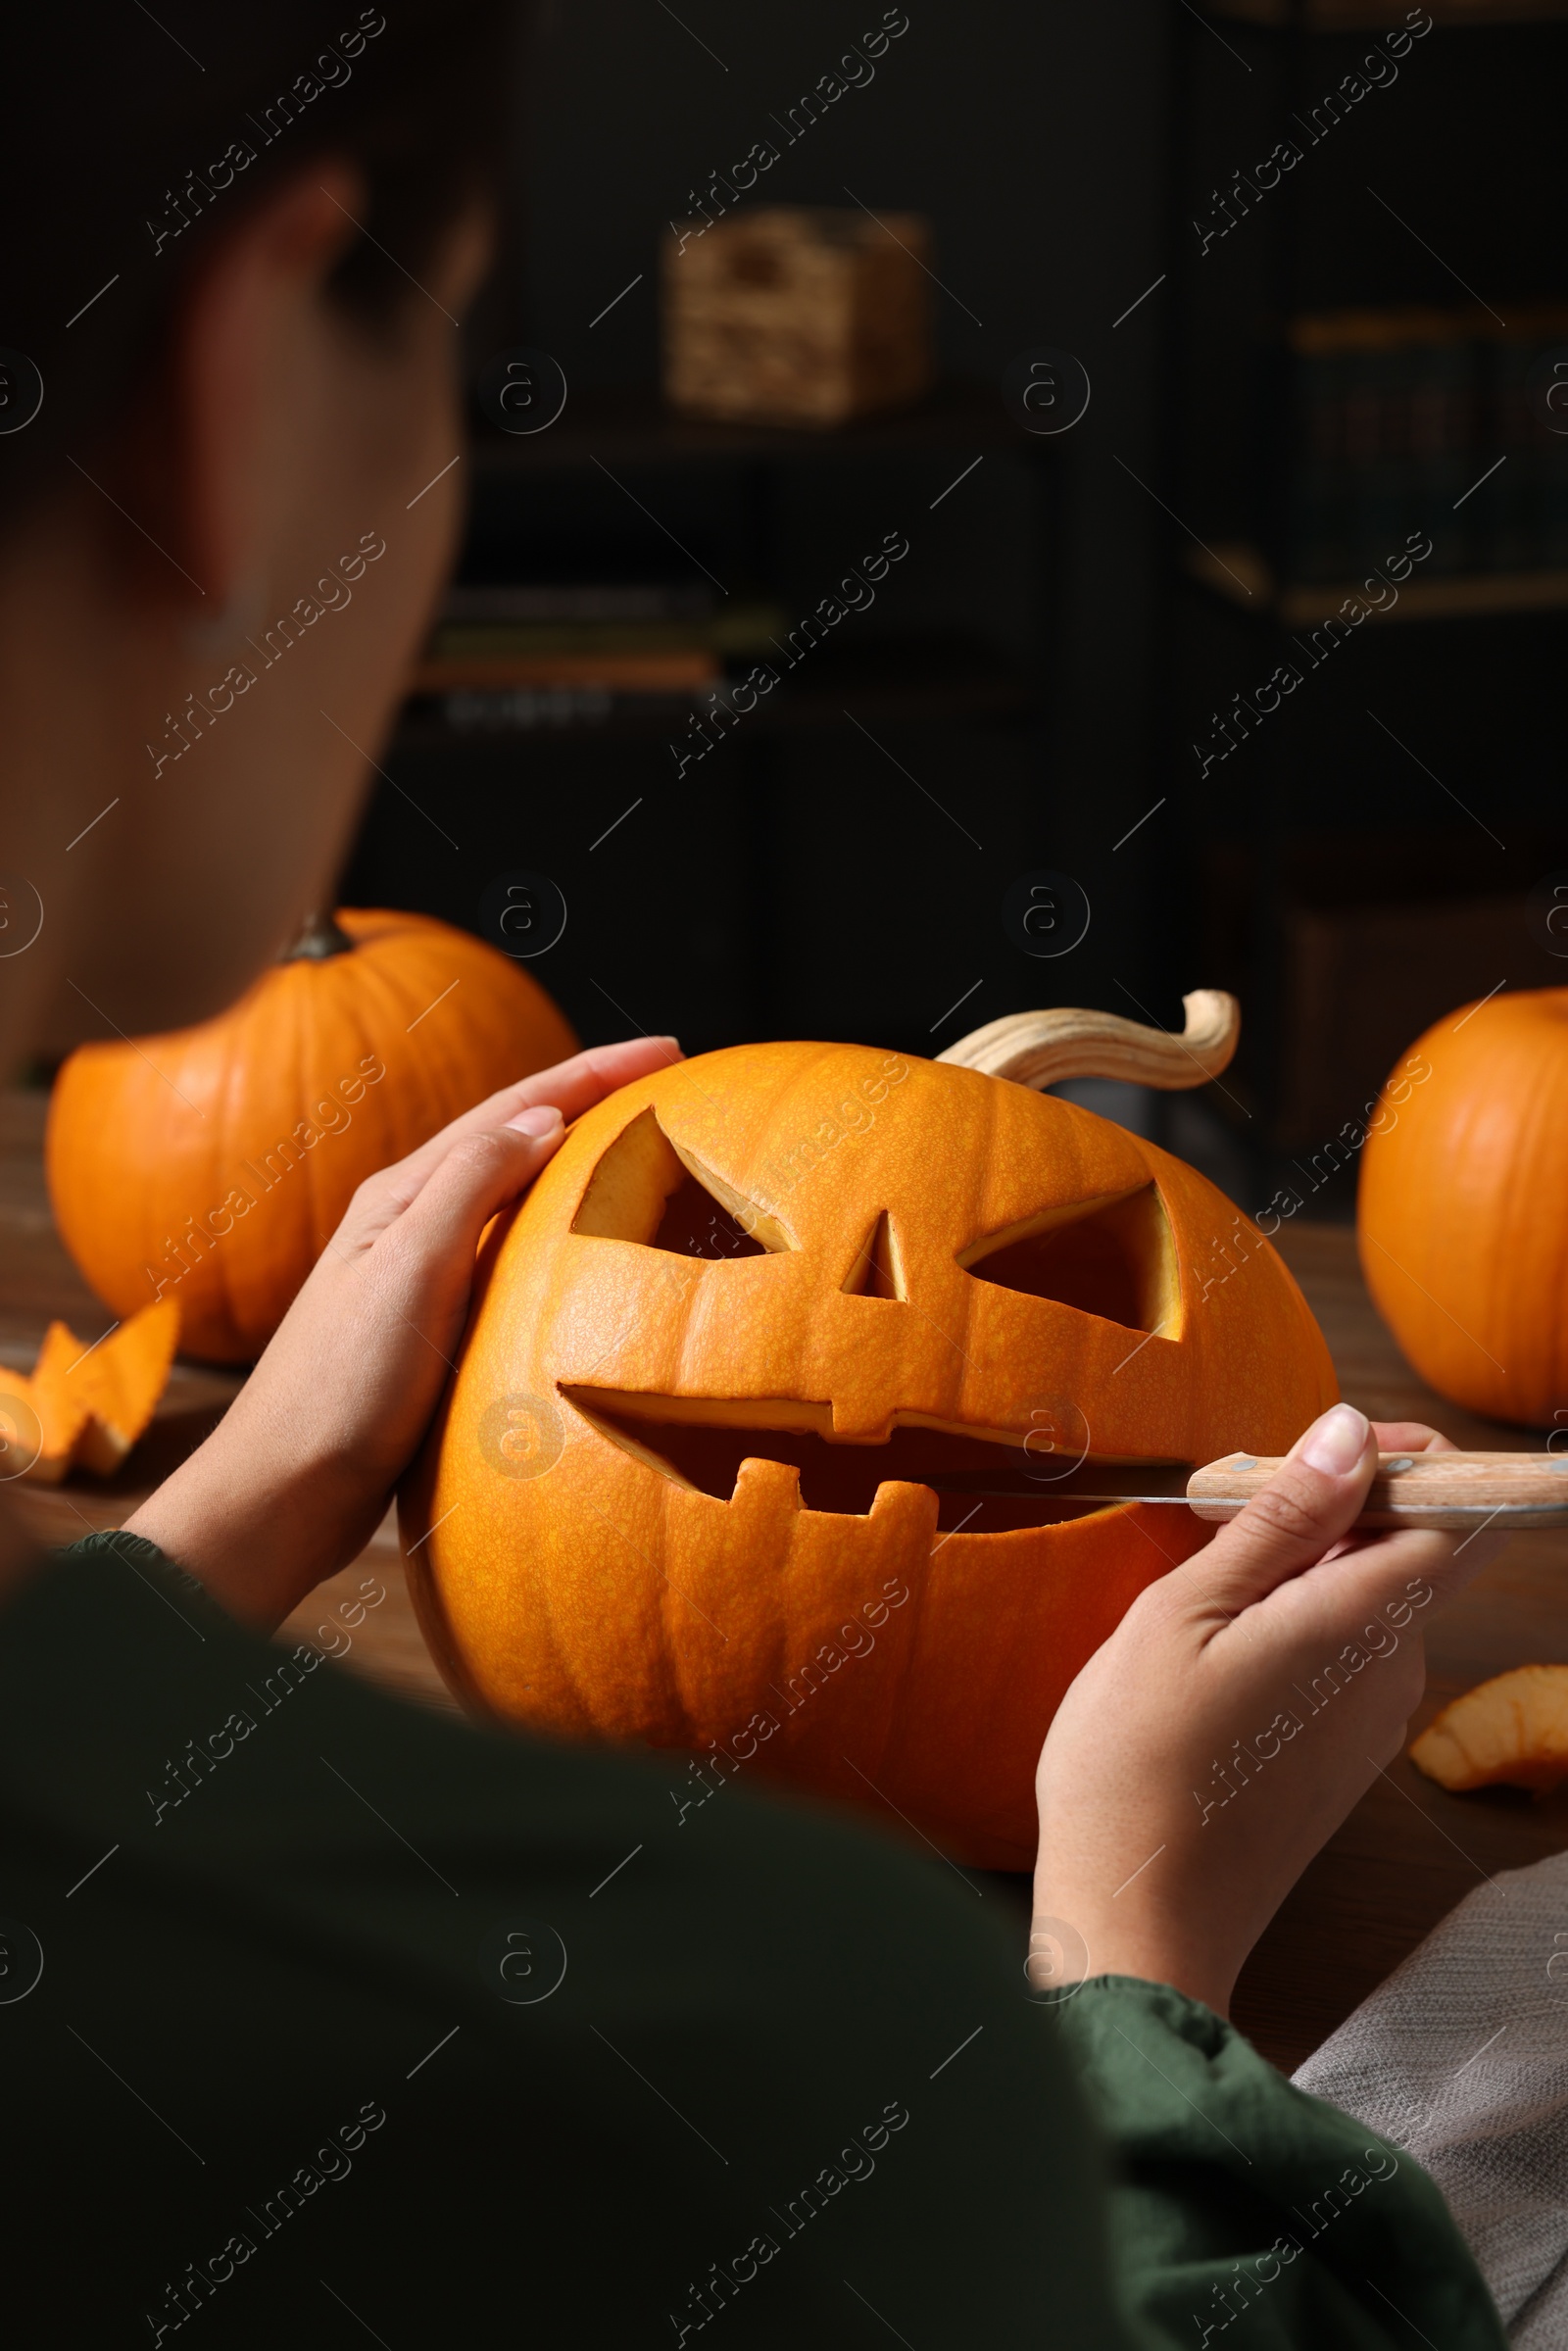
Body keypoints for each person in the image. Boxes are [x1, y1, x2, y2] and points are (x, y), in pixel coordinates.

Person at [0, 7, 1508, 2343]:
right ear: (245, 367)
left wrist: (202, 1548)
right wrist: (1126, 1961)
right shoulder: (764, 2055)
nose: (877, 1348)